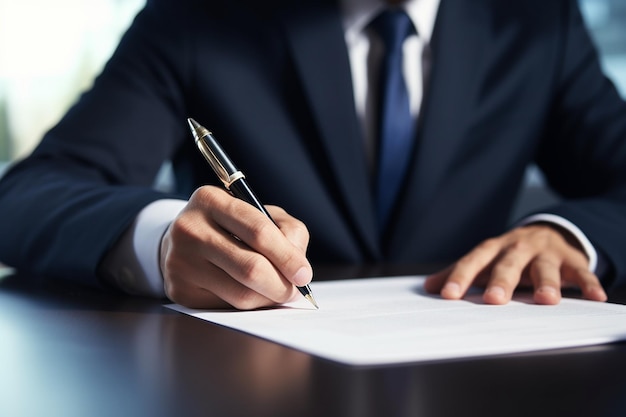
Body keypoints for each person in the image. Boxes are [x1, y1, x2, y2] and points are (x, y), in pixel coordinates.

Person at [0, 0, 624, 309]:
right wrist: (162, 242)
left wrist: (570, 234)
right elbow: (26, 195)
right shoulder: (198, 17)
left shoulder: (539, 21)